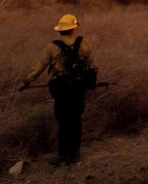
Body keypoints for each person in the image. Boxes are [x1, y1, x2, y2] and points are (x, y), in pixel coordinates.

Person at [20, 13, 96, 165]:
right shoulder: (84, 43)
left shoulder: (52, 47)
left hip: (61, 89)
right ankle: (75, 154)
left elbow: (40, 66)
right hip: (79, 88)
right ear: (74, 29)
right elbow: (91, 64)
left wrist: (27, 80)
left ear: (61, 30)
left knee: (63, 121)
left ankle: (63, 155)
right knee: (76, 120)